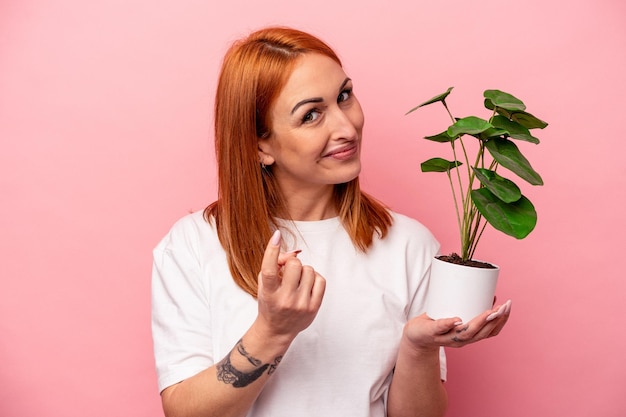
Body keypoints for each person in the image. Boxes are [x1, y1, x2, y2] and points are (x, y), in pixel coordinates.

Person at [151, 26, 511, 417]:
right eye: (311, 115)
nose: (346, 127)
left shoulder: (409, 244)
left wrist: (418, 347)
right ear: (260, 146)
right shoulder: (193, 245)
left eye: (344, 96)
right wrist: (272, 332)